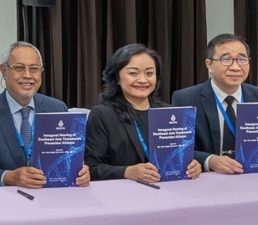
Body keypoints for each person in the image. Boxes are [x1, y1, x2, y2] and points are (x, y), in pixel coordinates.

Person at [172, 33, 258, 173]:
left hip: (256, 177)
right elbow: (177, 148)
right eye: (226, 59)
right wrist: (210, 160)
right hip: (210, 180)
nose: (235, 67)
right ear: (209, 64)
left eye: (241, 59)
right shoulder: (186, 99)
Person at [0, 41, 89, 188]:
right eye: (19, 68)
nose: (27, 75)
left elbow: (68, 157)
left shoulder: (57, 108)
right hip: (5, 199)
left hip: (51, 196)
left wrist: (80, 172)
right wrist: (9, 177)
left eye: (34, 68)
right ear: (3, 70)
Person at [85, 43, 202, 181]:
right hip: (124, 191)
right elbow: (92, 167)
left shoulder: (168, 112)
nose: (142, 80)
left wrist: (193, 165)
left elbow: (183, 155)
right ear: (117, 78)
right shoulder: (102, 114)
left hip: (168, 189)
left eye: (149, 73)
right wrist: (127, 171)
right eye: (133, 73)